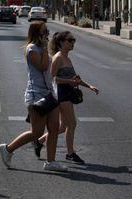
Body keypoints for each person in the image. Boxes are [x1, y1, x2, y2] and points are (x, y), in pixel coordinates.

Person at [0, 21, 67, 172]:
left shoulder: (42, 49)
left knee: (54, 127)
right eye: (44, 32)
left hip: (49, 93)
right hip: (36, 95)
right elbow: (42, 67)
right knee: (37, 132)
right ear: (37, 33)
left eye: (47, 31)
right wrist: (43, 48)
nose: (47, 34)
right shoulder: (32, 49)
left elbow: (49, 69)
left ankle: (50, 162)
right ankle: (8, 149)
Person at [34, 31, 99, 164]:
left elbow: (75, 78)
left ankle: (39, 141)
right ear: (61, 43)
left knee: (63, 127)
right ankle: (70, 153)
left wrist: (89, 86)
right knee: (72, 124)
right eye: (70, 40)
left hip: (67, 92)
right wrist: (69, 82)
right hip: (61, 94)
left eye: (73, 40)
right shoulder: (58, 57)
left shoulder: (67, 58)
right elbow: (52, 78)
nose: (72, 43)